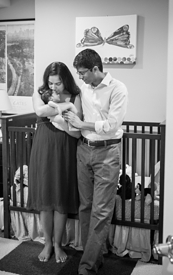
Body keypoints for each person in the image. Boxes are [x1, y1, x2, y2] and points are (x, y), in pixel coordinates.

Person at [64, 49, 128, 275]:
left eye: (83, 73)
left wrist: (83, 125)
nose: (80, 77)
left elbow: (112, 124)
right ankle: (94, 257)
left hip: (107, 152)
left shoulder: (118, 89)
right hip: (84, 150)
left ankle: (86, 267)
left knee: (101, 211)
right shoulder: (83, 88)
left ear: (95, 69)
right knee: (86, 207)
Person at [27, 61, 83, 264]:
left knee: (60, 197)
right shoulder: (39, 93)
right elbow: (41, 112)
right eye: (50, 83)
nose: (53, 87)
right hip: (43, 148)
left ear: (65, 80)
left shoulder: (76, 96)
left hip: (64, 150)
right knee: (45, 196)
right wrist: (66, 108)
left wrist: (64, 110)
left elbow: (76, 132)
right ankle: (47, 243)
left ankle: (58, 244)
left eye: (57, 83)